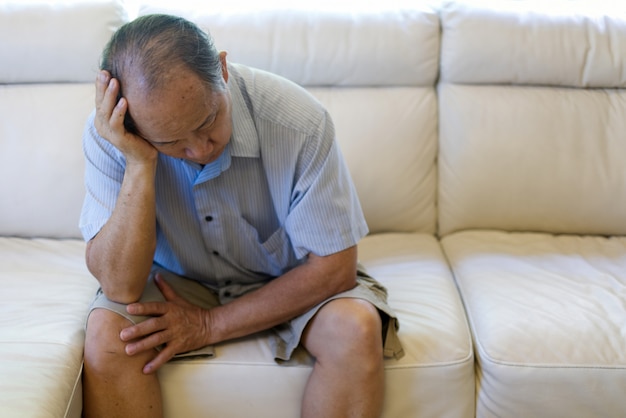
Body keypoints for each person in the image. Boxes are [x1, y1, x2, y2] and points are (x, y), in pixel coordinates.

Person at [80, 14, 403, 418]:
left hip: (288, 279)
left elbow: (334, 269)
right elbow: (119, 285)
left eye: (207, 120)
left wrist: (209, 324)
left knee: (355, 329)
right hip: (176, 281)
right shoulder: (111, 137)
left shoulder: (300, 122)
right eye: (171, 141)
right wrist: (141, 163)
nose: (199, 148)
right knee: (108, 336)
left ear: (222, 69)